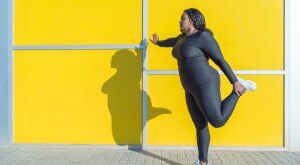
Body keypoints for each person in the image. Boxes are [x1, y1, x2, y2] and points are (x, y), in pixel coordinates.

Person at [150, 8, 257, 165]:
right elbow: (171, 42)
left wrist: (233, 81)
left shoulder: (203, 37)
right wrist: (158, 43)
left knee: (217, 121)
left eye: (183, 18)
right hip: (189, 88)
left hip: (206, 82)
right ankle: (202, 161)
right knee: (200, 125)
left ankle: (240, 89)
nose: (180, 21)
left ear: (192, 21)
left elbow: (220, 60)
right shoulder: (182, 38)